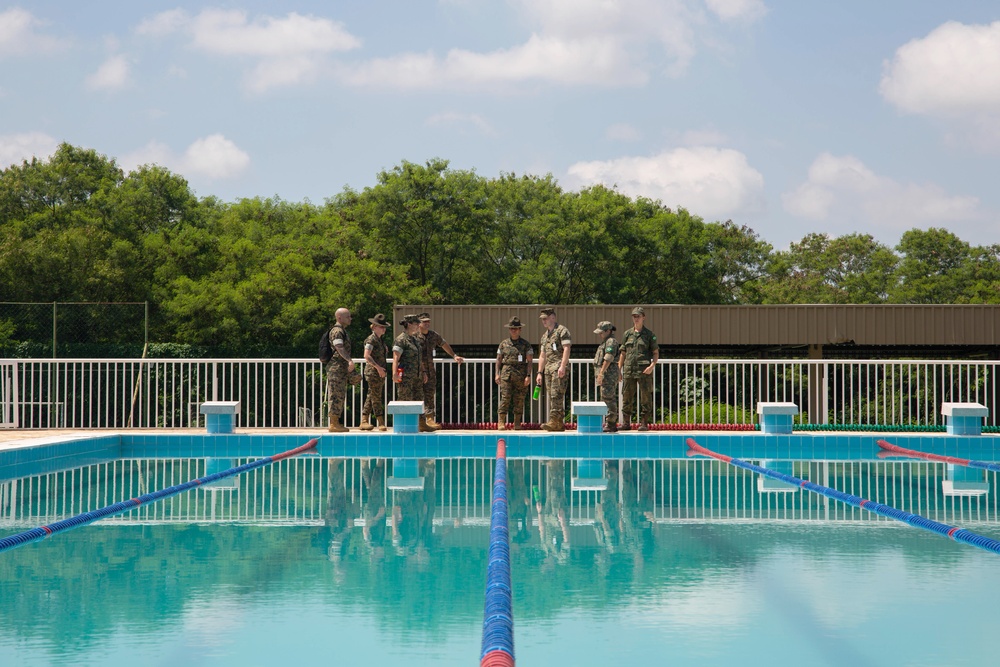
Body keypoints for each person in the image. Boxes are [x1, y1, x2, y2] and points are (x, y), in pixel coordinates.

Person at [416, 312, 464, 431]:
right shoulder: (414, 336)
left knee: (429, 395)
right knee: (417, 395)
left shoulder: (433, 335)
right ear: (419, 324)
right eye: (424, 322)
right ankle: (418, 420)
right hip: (417, 372)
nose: (427, 324)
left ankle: (430, 419)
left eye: (428, 321)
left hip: (430, 371)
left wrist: (454, 356)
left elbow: (443, 344)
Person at [619, 306, 659, 431]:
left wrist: (652, 366)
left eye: (638, 316)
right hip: (629, 370)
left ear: (643, 318)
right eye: (634, 316)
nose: (636, 319)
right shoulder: (627, 334)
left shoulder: (649, 335)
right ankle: (626, 423)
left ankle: (644, 423)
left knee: (645, 396)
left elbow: (656, 352)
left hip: (644, 371)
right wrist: (619, 369)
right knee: (626, 396)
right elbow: (623, 353)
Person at [535, 307, 571, 431]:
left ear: (553, 318)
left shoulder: (562, 330)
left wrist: (562, 366)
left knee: (556, 395)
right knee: (552, 396)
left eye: (545, 318)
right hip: (549, 369)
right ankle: (559, 423)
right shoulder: (545, 336)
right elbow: (542, 355)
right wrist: (539, 372)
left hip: (558, 367)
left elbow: (567, 348)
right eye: (542, 319)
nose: (543, 321)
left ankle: (554, 421)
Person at [495, 316, 533, 431]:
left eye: (516, 328)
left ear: (520, 329)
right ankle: (501, 422)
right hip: (507, 374)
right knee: (505, 398)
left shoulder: (526, 344)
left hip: (521, 375)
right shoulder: (503, 343)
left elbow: (530, 361)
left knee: (519, 399)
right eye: (511, 328)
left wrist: (528, 376)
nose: (513, 330)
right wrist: (497, 374)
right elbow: (498, 359)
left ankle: (517, 422)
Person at [392, 314, 428, 429]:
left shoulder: (415, 339)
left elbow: (419, 357)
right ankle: (403, 425)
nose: (418, 325)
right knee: (405, 399)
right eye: (416, 323)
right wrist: (394, 373)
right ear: (408, 324)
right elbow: (396, 358)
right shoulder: (401, 339)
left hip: (416, 375)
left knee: (419, 399)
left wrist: (423, 372)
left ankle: (422, 424)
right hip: (406, 376)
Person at [325, 307, 355, 433]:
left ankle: (336, 421)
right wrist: (349, 360)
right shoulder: (337, 331)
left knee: (340, 394)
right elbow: (339, 347)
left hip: (340, 368)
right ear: (339, 318)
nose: (350, 318)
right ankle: (334, 423)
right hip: (336, 367)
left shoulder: (342, 331)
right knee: (336, 395)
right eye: (347, 316)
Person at [360, 313, 390, 431]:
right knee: (376, 396)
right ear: (375, 327)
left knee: (372, 395)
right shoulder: (371, 339)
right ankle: (380, 421)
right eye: (381, 327)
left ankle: (364, 420)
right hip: (373, 372)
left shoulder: (380, 340)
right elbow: (367, 356)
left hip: (378, 372)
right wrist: (378, 367)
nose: (383, 329)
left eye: (384, 327)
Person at [593, 321, 621, 432]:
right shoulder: (605, 342)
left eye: (601, 332)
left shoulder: (611, 342)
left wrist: (601, 373)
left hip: (608, 375)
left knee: (609, 399)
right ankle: (609, 422)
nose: (599, 334)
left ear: (608, 331)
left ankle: (611, 423)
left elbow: (608, 358)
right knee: (605, 398)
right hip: (607, 375)